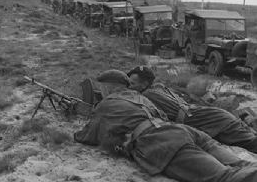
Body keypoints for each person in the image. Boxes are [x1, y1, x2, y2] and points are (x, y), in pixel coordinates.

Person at [75, 69, 257, 182]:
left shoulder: (106, 105)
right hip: (185, 131)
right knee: (241, 164)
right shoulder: (142, 97)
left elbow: (86, 136)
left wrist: (86, 112)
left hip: (163, 143)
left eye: (103, 88)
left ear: (108, 88)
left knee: (224, 177)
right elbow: (161, 116)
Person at [128, 66, 257, 153]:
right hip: (209, 116)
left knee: (250, 143)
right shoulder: (158, 87)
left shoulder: (147, 95)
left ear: (144, 84)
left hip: (210, 120)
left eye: (132, 84)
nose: (129, 87)